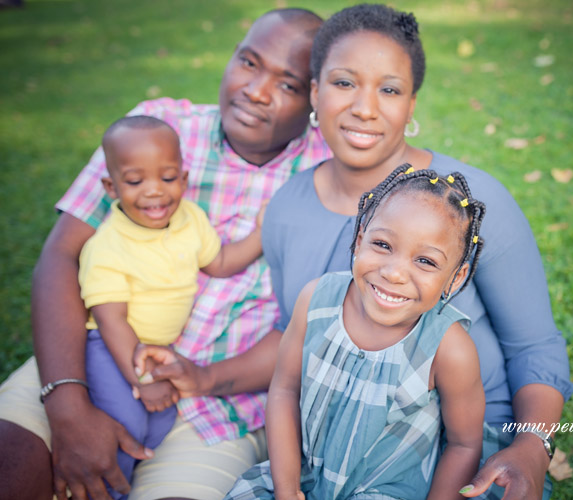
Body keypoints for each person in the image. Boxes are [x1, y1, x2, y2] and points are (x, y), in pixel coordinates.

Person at [134, 4, 573, 498]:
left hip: (464, 447)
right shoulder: (287, 209)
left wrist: (531, 449)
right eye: (344, 83)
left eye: (389, 89)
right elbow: (296, 335)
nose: (365, 107)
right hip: (332, 447)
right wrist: (205, 377)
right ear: (315, 93)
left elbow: (533, 347)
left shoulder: (469, 205)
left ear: (411, 107)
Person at [0, 8, 330, 500]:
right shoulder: (159, 131)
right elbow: (62, 256)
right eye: (248, 62)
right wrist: (68, 404)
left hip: (219, 409)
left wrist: (205, 378)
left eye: (288, 84)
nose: (256, 90)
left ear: (316, 101)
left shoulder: (326, 176)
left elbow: (308, 327)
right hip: (91, 357)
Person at [224, 166, 486, 500]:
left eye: (426, 261)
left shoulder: (449, 348)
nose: (394, 273)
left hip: (387, 490)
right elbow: (285, 391)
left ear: (457, 276)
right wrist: (287, 490)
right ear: (360, 239)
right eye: (382, 244)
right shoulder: (316, 300)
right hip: (300, 476)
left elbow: (464, 444)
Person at [80, 115, 275, 498]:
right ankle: (107, 490)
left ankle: (134, 473)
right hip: (113, 348)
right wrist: (144, 380)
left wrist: (261, 233)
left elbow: (219, 263)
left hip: (159, 352)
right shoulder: (106, 247)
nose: (155, 192)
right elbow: (111, 320)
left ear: (184, 180)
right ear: (111, 186)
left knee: (160, 419)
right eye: (135, 182)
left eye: (167, 178)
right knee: (127, 421)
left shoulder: (190, 219)